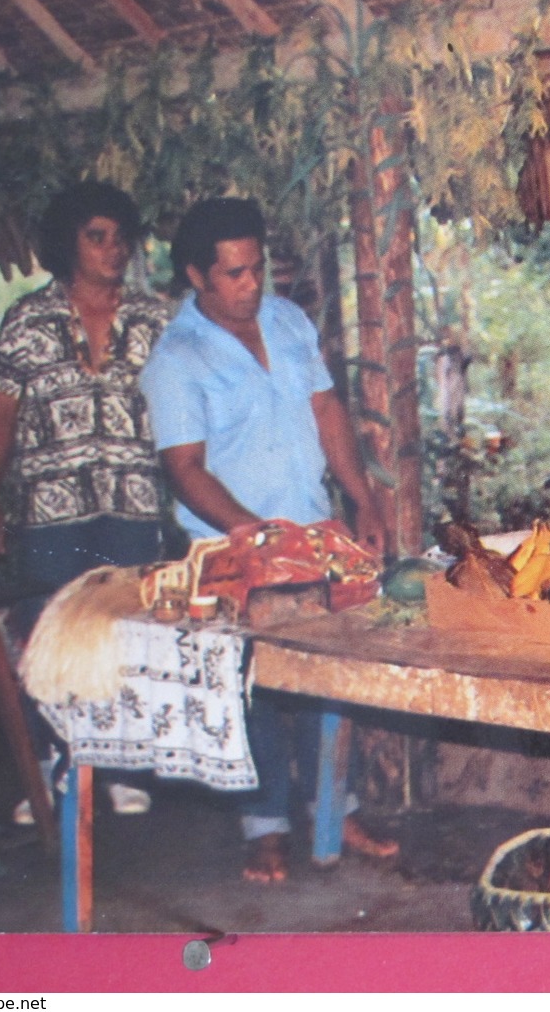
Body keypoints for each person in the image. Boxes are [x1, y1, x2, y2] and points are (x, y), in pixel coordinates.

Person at [139, 197, 393, 882]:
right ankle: (265, 827)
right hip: (230, 551)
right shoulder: (176, 360)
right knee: (251, 692)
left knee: (322, 681)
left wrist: (361, 496)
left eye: (257, 269)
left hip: (310, 531)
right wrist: (249, 534)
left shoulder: (287, 321)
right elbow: (184, 467)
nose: (251, 286)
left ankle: (334, 811)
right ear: (197, 274)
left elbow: (325, 409)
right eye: (233, 274)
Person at [0, 180, 171, 819]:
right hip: (49, 509)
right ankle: (59, 761)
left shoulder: (155, 318)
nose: (111, 250)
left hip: (133, 502)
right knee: (50, 631)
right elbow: (0, 414)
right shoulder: (29, 320)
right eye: (96, 237)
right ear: (69, 243)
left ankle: (116, 766)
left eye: (119, 238)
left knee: (123, 634)